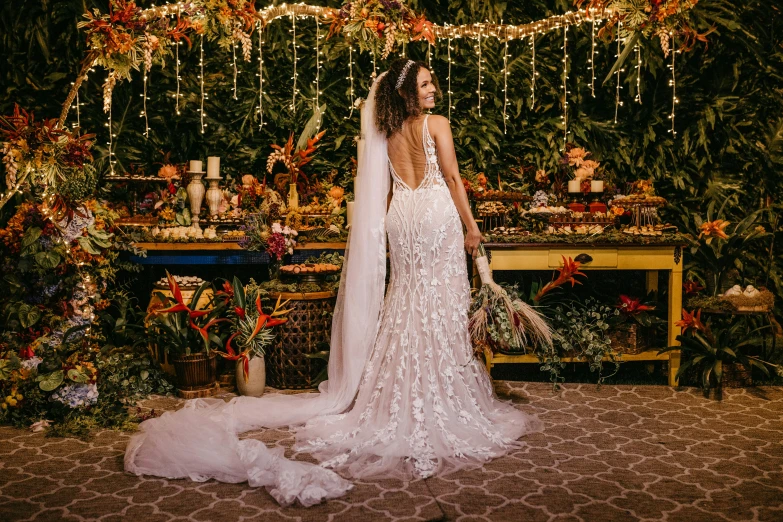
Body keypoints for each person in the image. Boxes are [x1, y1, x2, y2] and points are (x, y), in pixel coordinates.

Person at [124, 59, 542, 507]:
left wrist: (384, 230)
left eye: (433, 83)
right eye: (424, 84)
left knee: (404, 299)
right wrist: (472, 227)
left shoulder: (388, 133)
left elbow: (383, 193)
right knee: (440, 301)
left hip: (400, 218)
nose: (433, 89)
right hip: (437, 215)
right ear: (406, 93)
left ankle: (393, 401)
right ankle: (439, 393)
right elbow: (455, 178)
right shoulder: (435, 124)